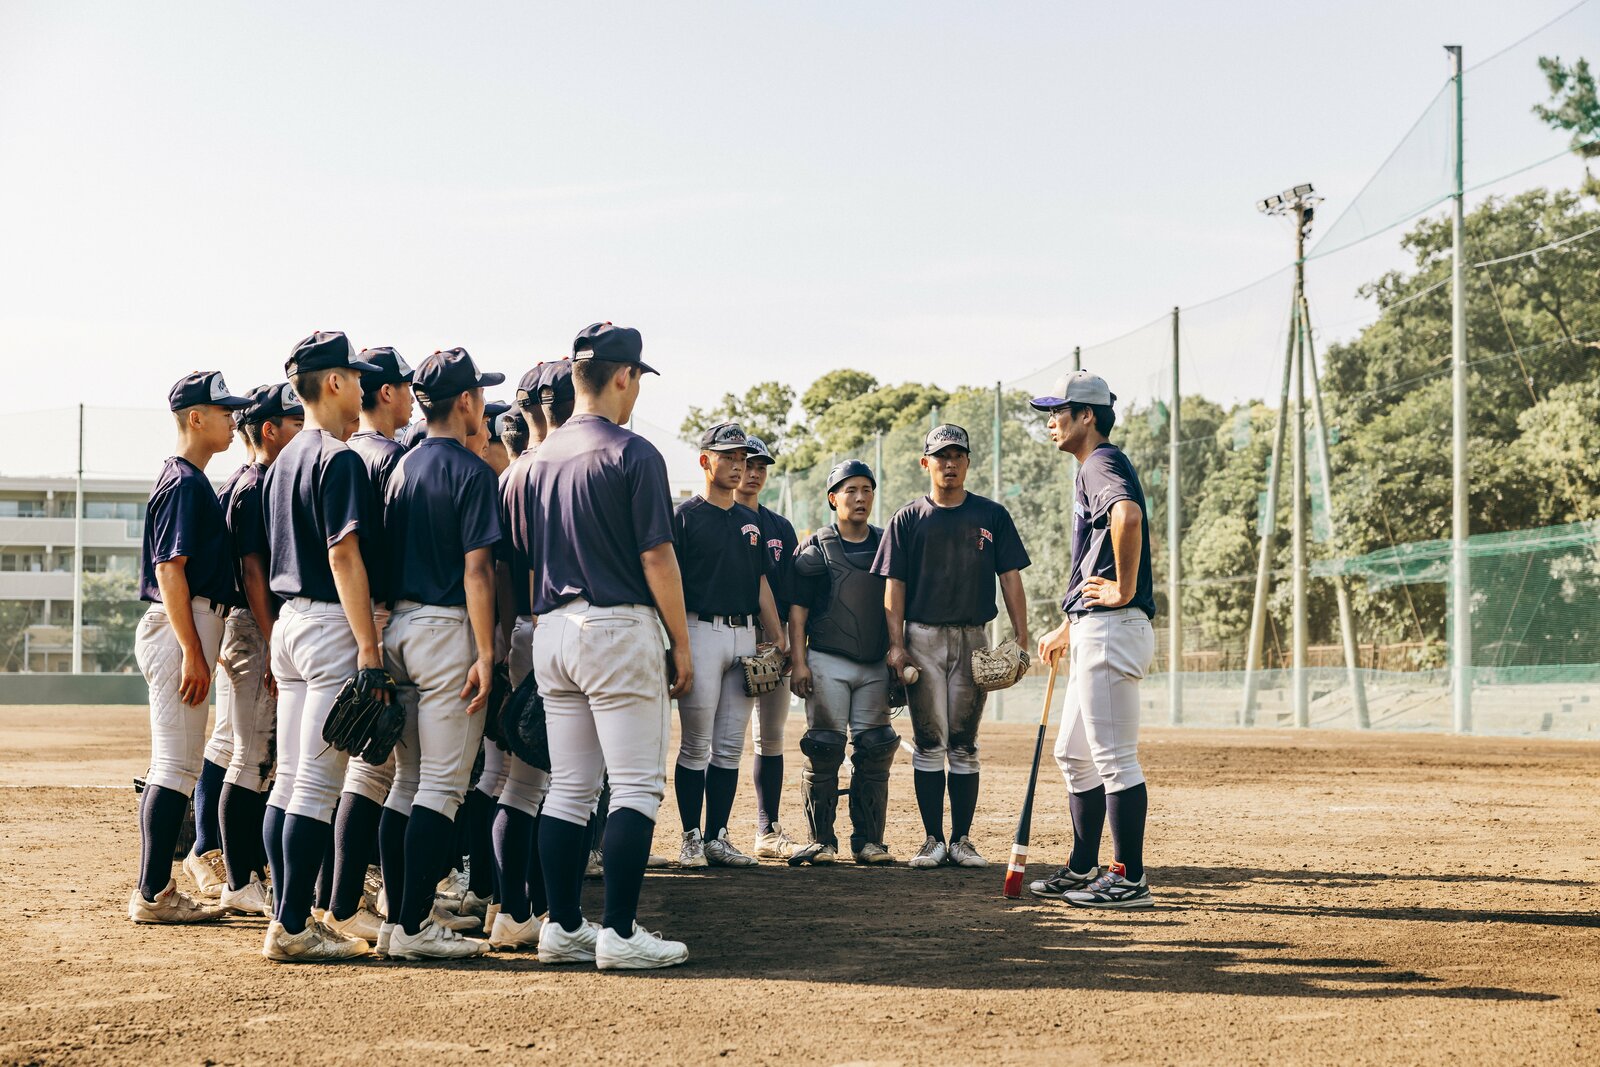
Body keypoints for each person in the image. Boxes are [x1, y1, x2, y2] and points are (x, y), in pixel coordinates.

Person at [524, 321, 691, 969]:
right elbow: (657, 556)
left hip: (552, 629)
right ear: (624, 375)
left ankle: (562, 926)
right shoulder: (633, 452)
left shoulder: (538, 459)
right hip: (617, 627)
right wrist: (681, 643)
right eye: (638, 378)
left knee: (568, 787)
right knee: (636, 787)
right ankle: (619, 933)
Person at [259, 331, 385, 962]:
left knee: (289, 783)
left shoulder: (282, 461)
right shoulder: (340, 459)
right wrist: (370, 648)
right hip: (330, 625)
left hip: (289, 623)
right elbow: (343, 554)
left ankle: (288, 917)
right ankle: (290, 926)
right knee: (313, 786)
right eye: (355, 376)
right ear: (332, 382)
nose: (362, 385)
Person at [375, 347, 505, 961]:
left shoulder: (401, 465)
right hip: (446, 628)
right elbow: (478, 570)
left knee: (407, 782)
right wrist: (487, 652)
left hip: (398, 628)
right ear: (467, 401)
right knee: (444, 786)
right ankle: (411, 927)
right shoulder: (473, 471)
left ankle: (395, 922)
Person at [873, 424, 1030, 870]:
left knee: (963, 742)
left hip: (974, 637)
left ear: (967, 462)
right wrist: (896, 645)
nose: (950, 463)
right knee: (929, 741)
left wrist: (1021, 637)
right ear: (926, 462)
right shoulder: (908, 518)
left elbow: (1010, 577)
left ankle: (961, 840)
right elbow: (894, 586)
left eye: (958, 455)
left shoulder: (991, 515)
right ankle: (932, 840)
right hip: (922, 637)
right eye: (941, 456)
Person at [1028, 371, 1157, 909]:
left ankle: (1129, 879)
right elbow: (1097, 553)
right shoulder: (1092, 466)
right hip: (1095, 626)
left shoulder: (1100, 462)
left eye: (1058, 412)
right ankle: (1084, 867)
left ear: (1087, 416)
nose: (1050, 422)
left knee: (1113, 759)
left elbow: (1128, 515)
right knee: (1073, 755)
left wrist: (1122, 589)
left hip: (1113, 627)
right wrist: (1070, 622)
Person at [128, 370, 253, 925]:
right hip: (181, 624)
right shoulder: (182, 481)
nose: (232, 419)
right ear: (195, 418)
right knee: (175, 767)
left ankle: (155, 890)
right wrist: (194, 650)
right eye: (224, 412)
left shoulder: (191, 479)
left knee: (176, 765)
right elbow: (169, 570)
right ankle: (153, 893)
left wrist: (206, 643)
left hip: (195, 623)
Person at [325, 346, 414, 939]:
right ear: (387, 393)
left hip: (338, 615)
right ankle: (348, 900)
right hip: (377, 615)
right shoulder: (387, 458)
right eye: (405, 386)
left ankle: (346, 895)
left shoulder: (341, 453)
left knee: (355, 770)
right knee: (376, 770)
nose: (411, 397)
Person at [671, 422, 786, 869]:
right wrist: (675, 641)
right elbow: (669, 582)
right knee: (695, 744)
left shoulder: (749, 520)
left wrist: (776, 634)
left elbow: (760, 582)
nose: (739, 466)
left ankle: (717, 836)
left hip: (744, 636)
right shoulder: (684, 516)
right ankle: (690, 837)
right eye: (729, 457)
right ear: (705, 461)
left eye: (743, 458)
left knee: (729, 745)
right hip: (699, 630)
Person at [215, 383, 304, 918]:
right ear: (269, 430)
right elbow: (253, 572)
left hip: (255, 623)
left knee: (254, 756)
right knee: (251, 756)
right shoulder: (254, 484)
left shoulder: (254, 479)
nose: (301, 430)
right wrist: (273, 641)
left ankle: (246, 873)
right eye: (294, 422)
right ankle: (239, 879)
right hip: (253, 623)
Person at [787, 460, 900, 865]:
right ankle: (822, 842)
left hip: (874, 665)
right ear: (833, 498)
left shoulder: (888, 544)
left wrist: (898, 652)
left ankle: (869, 842)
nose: (860, 497)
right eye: (850, 490)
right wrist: (799, 661)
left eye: (867, 489)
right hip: (826, 660)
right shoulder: (817, 547)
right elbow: (797, 611)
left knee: (875, 748)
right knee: (824, 748)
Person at [183, 408, 260, 902]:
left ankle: (212, 849)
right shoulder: (248, 484)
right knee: (235, 744)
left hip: (233, 618)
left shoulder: (234, 481)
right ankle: (211, 851)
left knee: (230, 741)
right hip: (243, 619)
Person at [732, 435, 801, 860]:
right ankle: (705, 832)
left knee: (770, 737)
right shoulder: (719, 517)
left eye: (761, 466)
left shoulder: (779, 527)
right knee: (719, 740)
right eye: (748, 464)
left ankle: (767, 829)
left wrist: (788, 639)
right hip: (733, 631)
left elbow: (790, 589)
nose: (754, 473)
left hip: (775, 640)